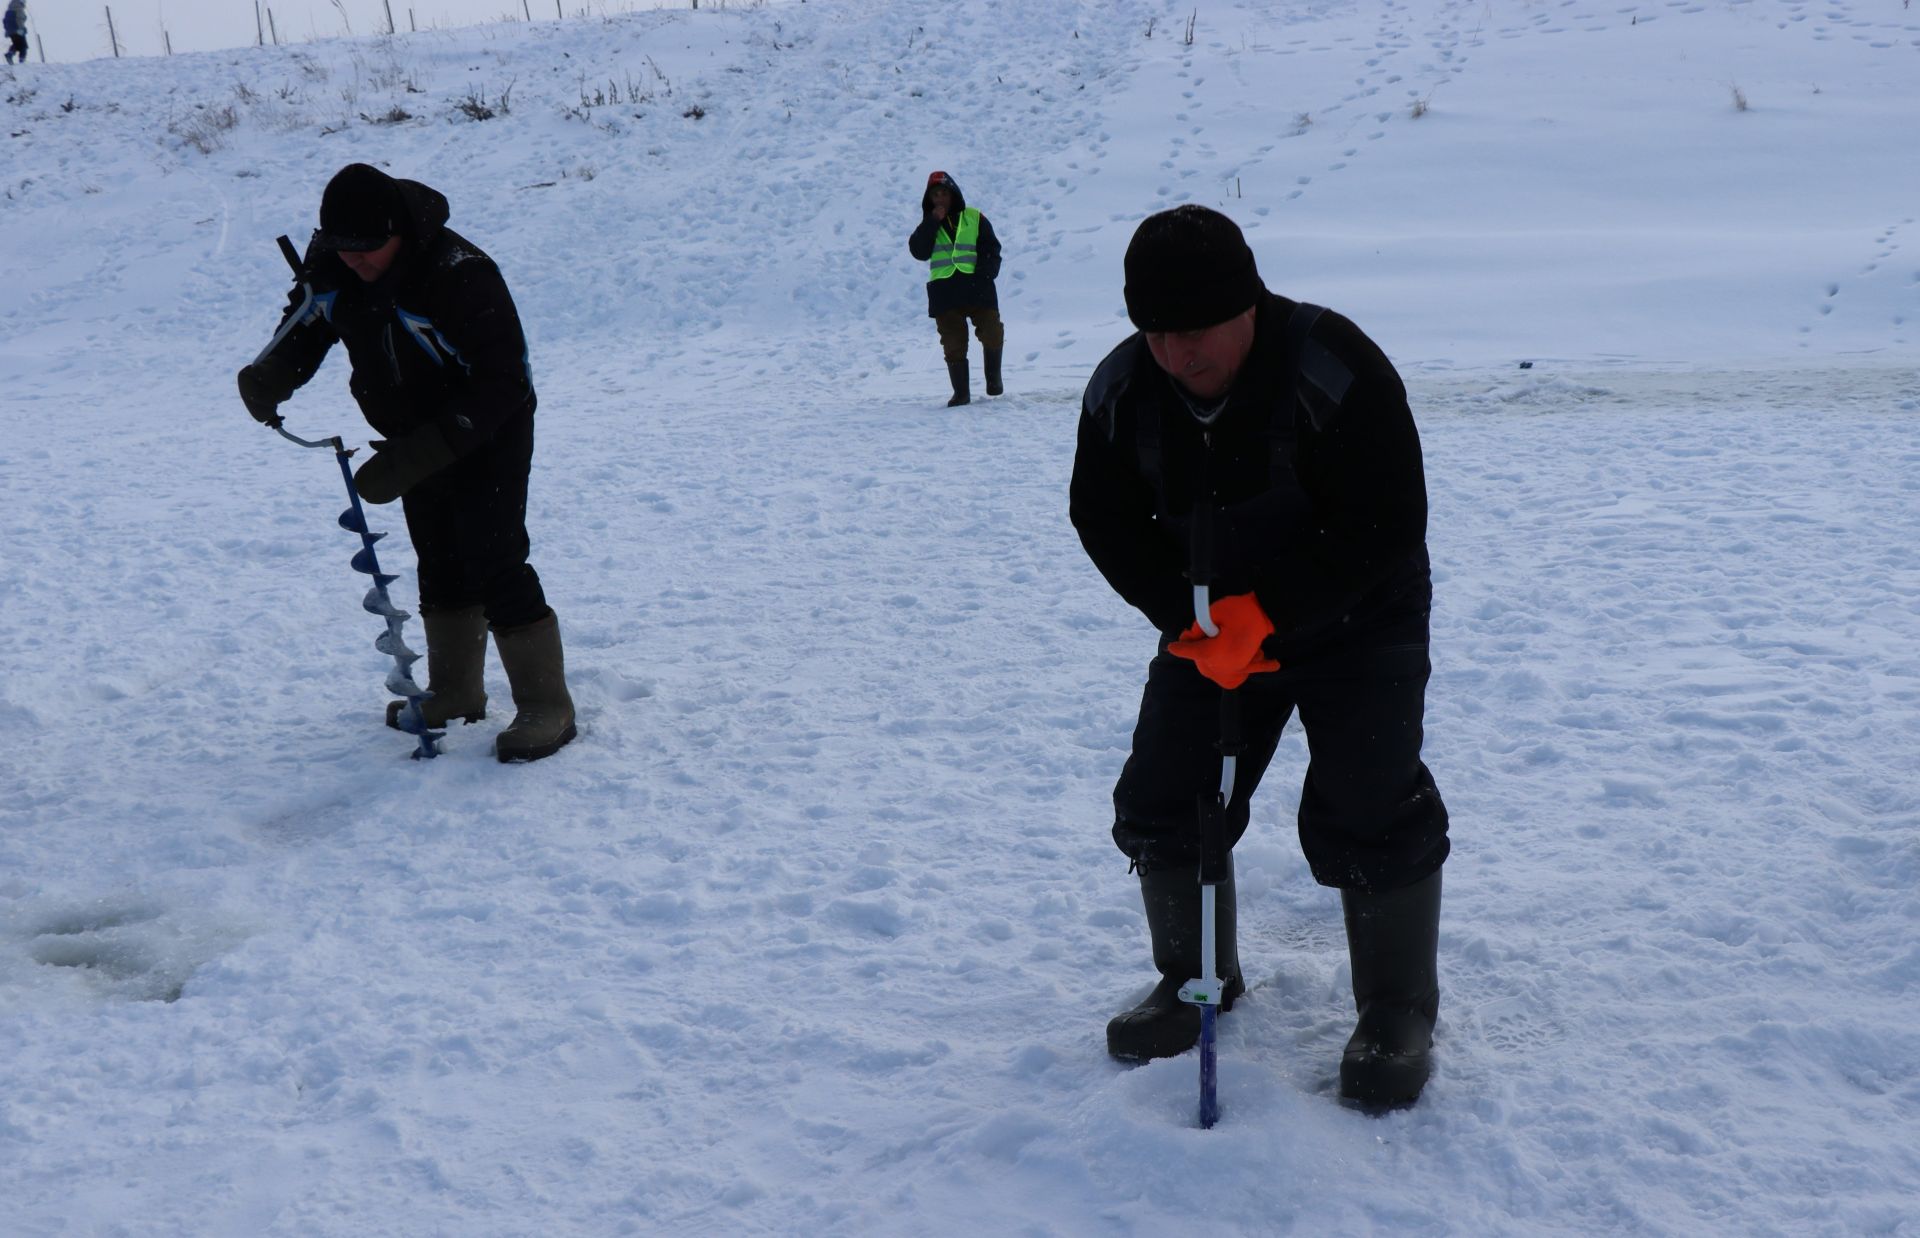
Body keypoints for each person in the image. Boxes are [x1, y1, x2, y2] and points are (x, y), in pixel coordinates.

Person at [1070, 204, 1449, 1109]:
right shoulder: (1125, 390)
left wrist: (1270, 615)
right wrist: (1184, 615)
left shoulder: (1332, 366)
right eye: (1155, 332)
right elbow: (1104, 517)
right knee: (1164, 795)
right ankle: (1195, 979)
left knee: (1368, 799)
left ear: (1247, 304)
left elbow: (1388, 522)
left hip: (1362, 618)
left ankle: (1398, 1010)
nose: (1175, 355)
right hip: (1212, 633)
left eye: (1193, 331)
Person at [237, 162, 576, 764]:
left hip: (488, 427)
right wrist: (270, 376)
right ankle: (456, 690)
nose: (357, 262)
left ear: (400, 231)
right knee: (440, 556)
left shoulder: (459, 275)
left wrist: (416, 457)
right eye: (345, 251)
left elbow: (504, 382)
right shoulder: (335, 258)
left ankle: (547, 705)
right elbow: (312, 319)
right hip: (406, 428)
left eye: (370, 250)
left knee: (494, 555)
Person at [906, 170, 1004, 407]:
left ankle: (994, 380)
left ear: (953, 194)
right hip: (945, 293)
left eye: (944, 194)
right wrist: (932, 221)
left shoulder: (974, 217)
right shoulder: (928, 224)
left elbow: (992, 249)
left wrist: (984, 274)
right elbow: (918, 251)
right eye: (935, 195)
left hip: (977, 288)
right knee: (953, 343)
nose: (939, 199)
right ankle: (961, 393)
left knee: (992, 332)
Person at [3, 1, 27, 66]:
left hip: (10, 31)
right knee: (24, 45)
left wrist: (7, 30)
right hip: (18, 30)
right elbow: (19, 20)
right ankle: (22, 61)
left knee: (16, 44)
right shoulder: (19, 9)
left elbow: (4, 21)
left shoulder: (9, 9)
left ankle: (10, 54)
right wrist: (21, 29)